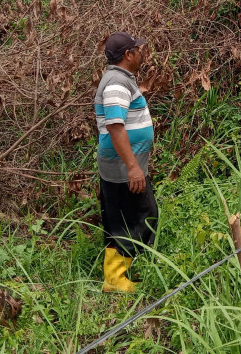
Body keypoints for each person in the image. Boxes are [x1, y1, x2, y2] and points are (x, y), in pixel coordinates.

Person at [93, 31, 158, 293]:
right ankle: (117, 279)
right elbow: (116, 127)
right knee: (141, 216)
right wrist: (133, 167)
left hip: (123, 166)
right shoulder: (117, 84)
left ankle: (114, 277)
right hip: (122, 168)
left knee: (120, 219)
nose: (141, 54)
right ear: (128, 55)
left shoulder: (119, 80)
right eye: (137, 50)